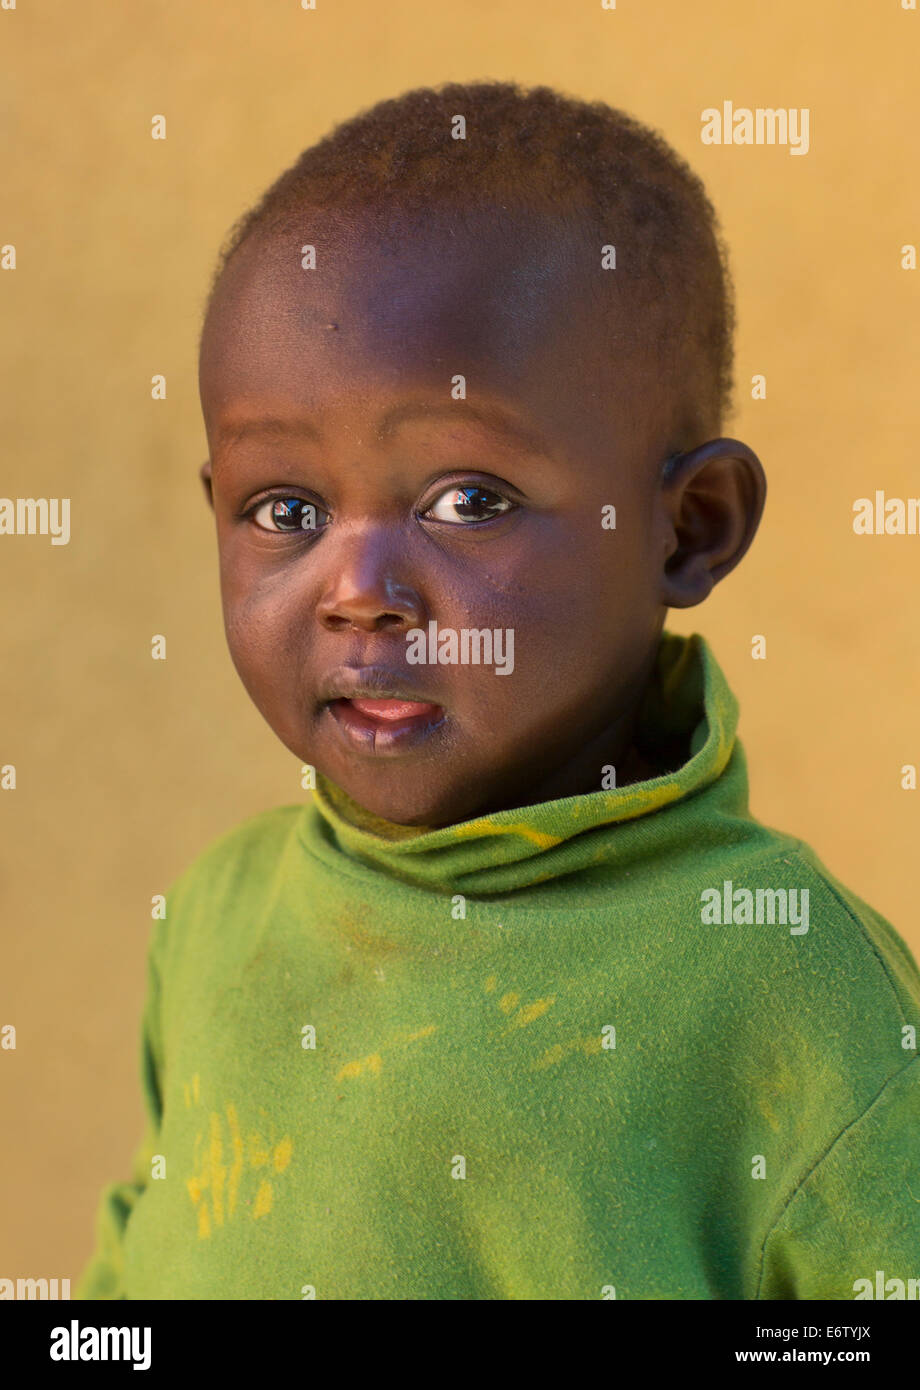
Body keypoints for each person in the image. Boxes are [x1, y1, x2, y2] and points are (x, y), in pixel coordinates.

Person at [76, 80, 920, 1300]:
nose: (357, 590)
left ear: (688, 528)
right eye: (285, 510)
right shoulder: (221, 915)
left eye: (466, 500)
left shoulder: (795, 994)